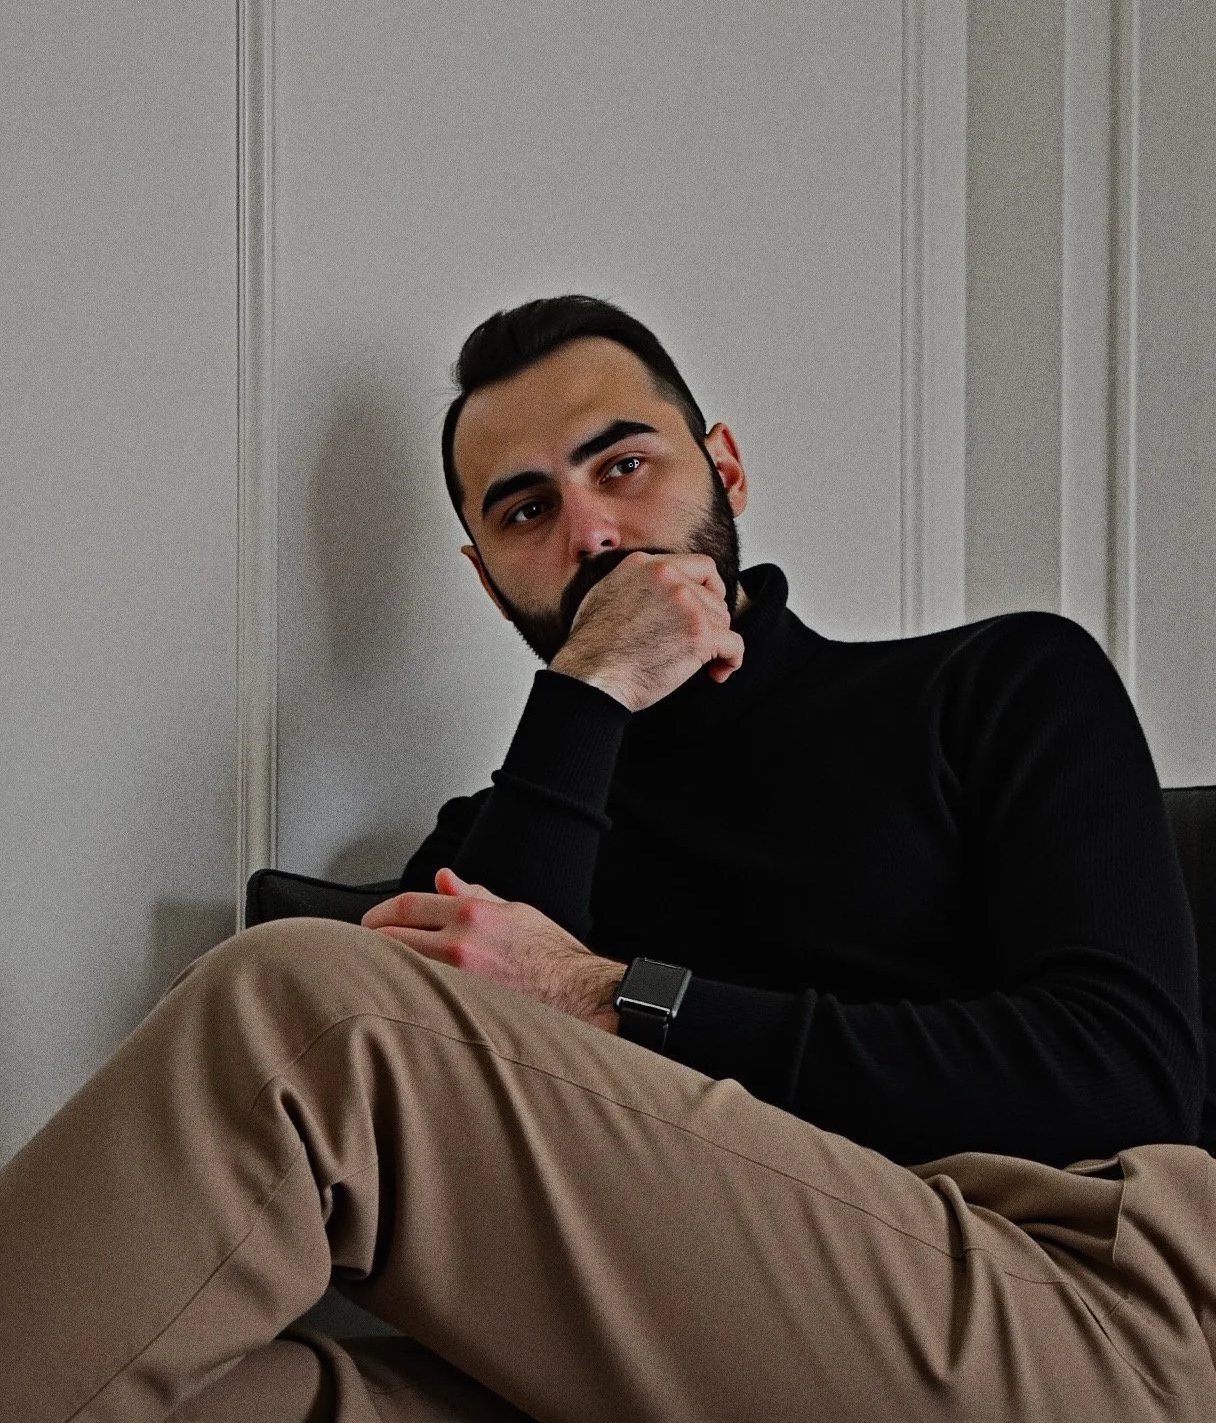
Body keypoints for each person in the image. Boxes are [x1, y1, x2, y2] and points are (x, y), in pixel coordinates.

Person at [2, 294, 1214, 1423]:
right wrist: (591, 688)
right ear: (487, 582)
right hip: (667, 1355)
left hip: (1058, 1304)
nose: (589, 530)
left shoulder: (994, 685)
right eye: (526, 511)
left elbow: (1120, 1070)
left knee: (300, 1007)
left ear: (724, 470)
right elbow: (474, 1095)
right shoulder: (505, 831)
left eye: (623, 466)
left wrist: (613, 994)